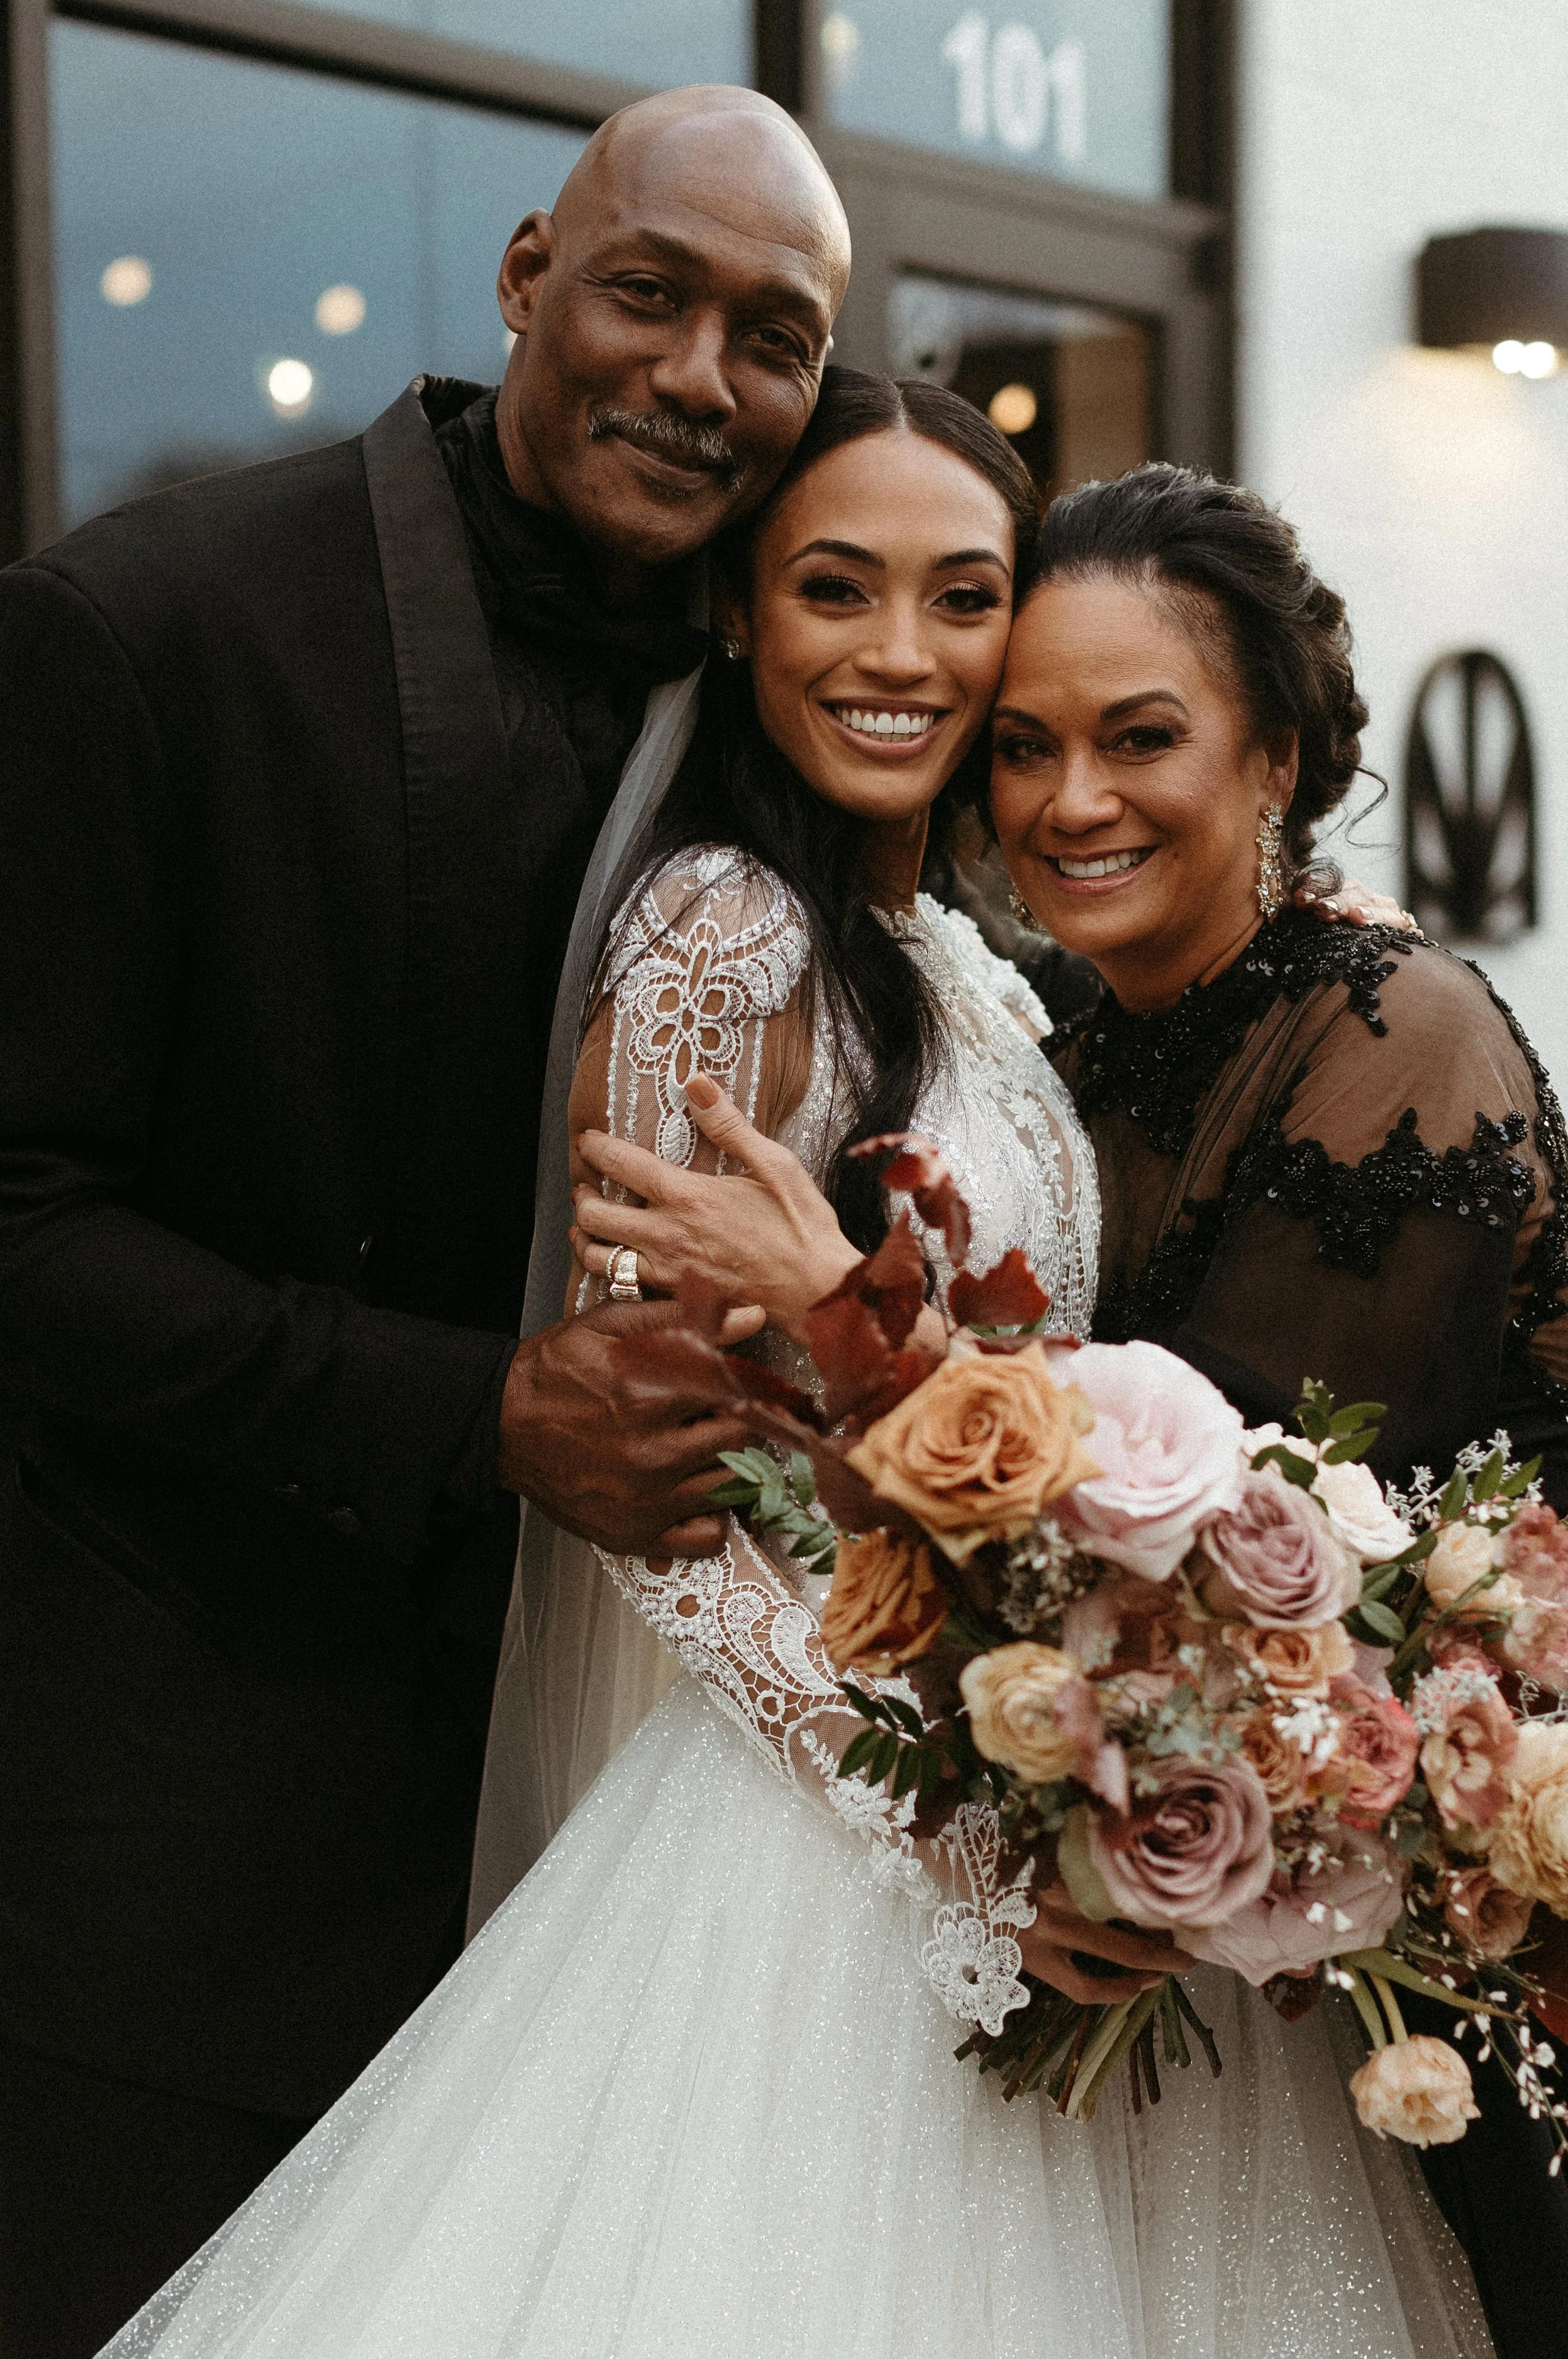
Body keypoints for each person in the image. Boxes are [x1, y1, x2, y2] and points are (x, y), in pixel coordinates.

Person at [99, 379, 1489, 2359]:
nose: (901, 653)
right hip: (822, 1842)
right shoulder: (720, 931)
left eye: (960, 596)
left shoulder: (961, 967)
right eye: (836, 590)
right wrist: (963, 1832)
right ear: (744, 617)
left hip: (1001, 1767)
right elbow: (660, 1498)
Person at [0, 82, 852, 2359]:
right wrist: (472, 1410)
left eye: (771, 336)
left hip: (629, 1859)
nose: (696, 374)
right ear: (522, 279)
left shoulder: (801, 682)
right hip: (193, 1833)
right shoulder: (137, 626)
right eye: (649, 292)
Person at [987, 463, 1568, 2359]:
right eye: (1019, 744)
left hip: (1472, 1933)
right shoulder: (1044, 1048)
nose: (1068, 801)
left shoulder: (1396, 1031)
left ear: (1280, 755)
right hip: (1249, 1891)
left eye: (1138, 734)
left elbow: (1249, 1550)